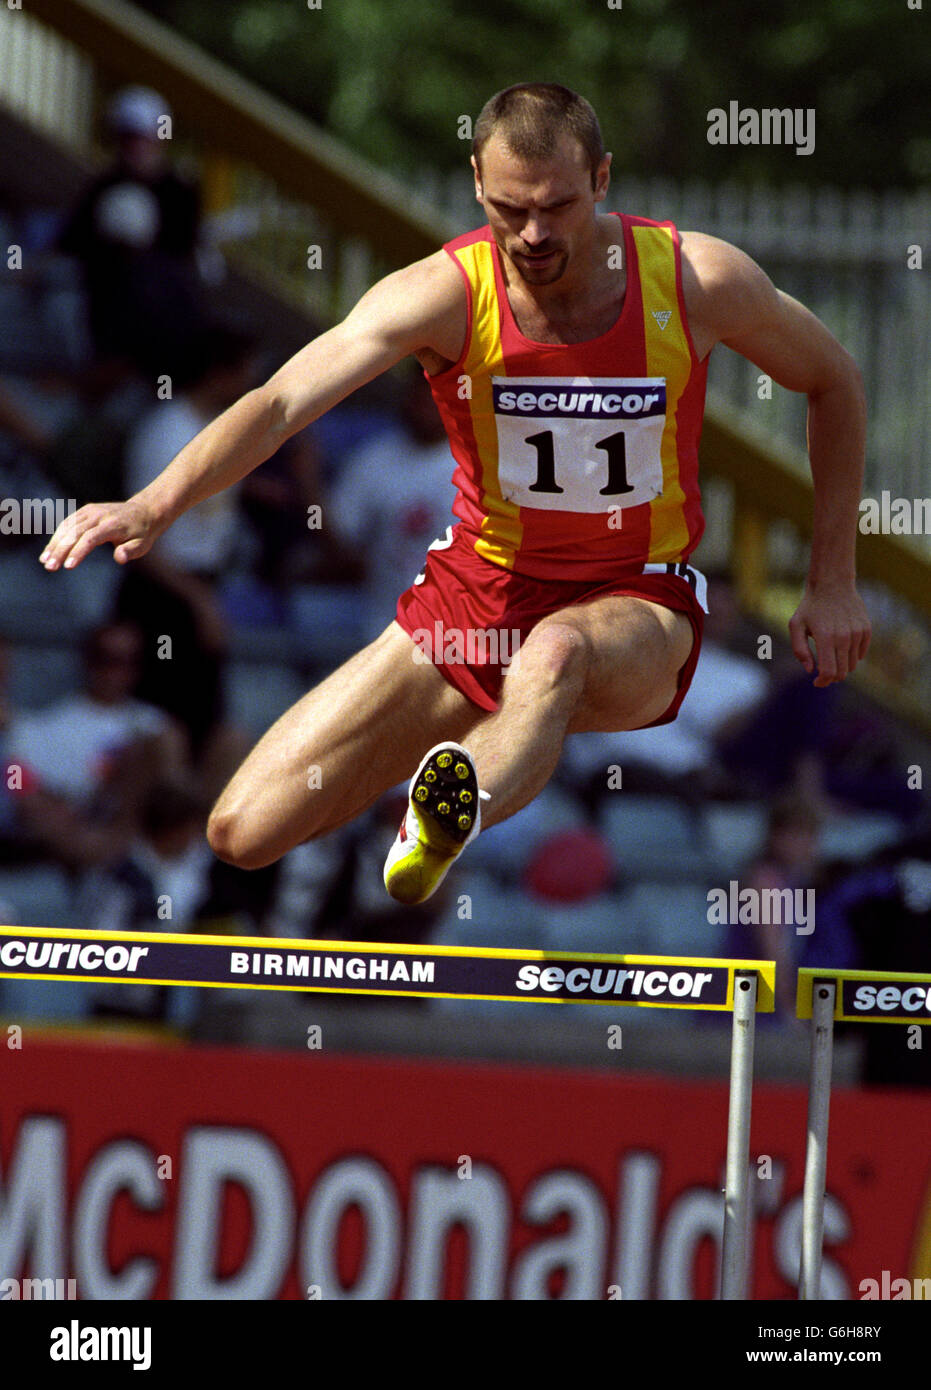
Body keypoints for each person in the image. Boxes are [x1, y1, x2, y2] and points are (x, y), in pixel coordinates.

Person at [39, 83, 871, 910]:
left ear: (603, 179)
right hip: (475, 597)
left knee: (556, 653)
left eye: (558, 207)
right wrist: (155, 503)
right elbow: (282, 402)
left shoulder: (693, 277)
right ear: (476, 182)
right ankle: (468, 762)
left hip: (636, 600)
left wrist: (831, 579)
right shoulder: (443, 294)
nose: (535, 234)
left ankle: (447, 809)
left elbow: (832, 380)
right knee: (244, 832)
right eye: (511, 209)